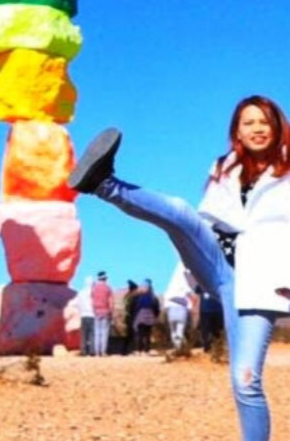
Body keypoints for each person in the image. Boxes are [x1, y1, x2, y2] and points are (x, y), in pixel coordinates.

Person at [70, 95, 290, 441]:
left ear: (278, 127)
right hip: (217, 262)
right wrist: (186, 276)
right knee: (179, 212)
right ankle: (103, 184)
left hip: (261, 282)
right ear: (237, 131)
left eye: (264, 121)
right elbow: (203, 220)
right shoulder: (224, 167)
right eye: (248, 122)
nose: (257, 128)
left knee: (245, 380)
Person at [132, 279, 160, 354]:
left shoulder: (141, 297)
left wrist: (135, 316)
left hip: (141, 316)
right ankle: (147, 350)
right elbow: (156, 308)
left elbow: (137, 307)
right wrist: (155, 316)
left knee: (140, 334)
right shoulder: (154, 297)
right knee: (148, 334)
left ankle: (139, 350)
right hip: (150, 317)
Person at [91, 270, 113, 357]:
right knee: (104, 332)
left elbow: (92, 300)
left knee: (97, 332)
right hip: (105, 312)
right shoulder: (108, 288)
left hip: (96, 312)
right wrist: (111, 311)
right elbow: (111, 301)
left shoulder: (94, 288)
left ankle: (97, 352)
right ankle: (103, 352)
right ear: (105, 279)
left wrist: (94, 310)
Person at [77, 275, 96, 356]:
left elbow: (77, 303)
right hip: (93, 315)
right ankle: (92, 351)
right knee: (92, 334)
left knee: (84, 334)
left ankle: (83, 351)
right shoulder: (94, 292)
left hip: (83, 315)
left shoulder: (81, 292)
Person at [122, 279, 139, 354]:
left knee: (129, 334)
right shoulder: (133, 297)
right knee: (133, 334)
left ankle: (125, 350)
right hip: (133, 316)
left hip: (129, 317)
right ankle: (130, 350)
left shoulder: (127, 296)